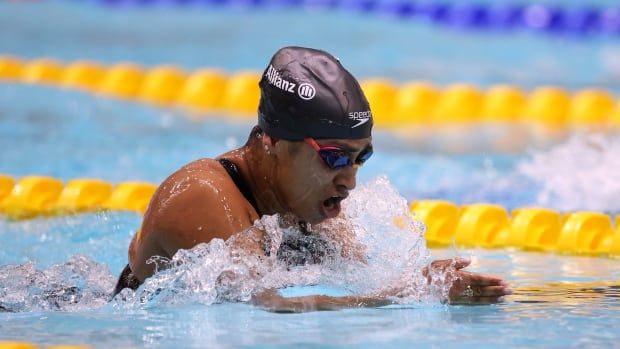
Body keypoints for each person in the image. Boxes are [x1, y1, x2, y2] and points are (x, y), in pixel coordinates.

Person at [113, 46, 512, 311]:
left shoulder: (305, 205)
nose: (349, 181)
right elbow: (270, 312)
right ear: (272, 142)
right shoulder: (204, 196)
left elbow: (355, 285)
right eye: (334, 157)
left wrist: (420, 280)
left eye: (361, 158)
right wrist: (409, 294)